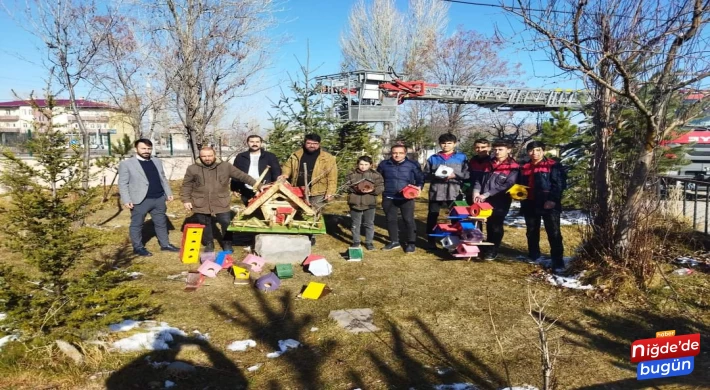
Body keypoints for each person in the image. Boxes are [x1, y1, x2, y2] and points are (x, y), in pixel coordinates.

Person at [181, 147, 257, 252]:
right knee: (205, 224)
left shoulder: (225, 166)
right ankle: (209, 243)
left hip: (221, 201)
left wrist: (259, 185)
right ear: (200, 156)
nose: (207, 158)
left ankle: (227, 243)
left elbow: (242, 176)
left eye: (209, 155)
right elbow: (186, 185)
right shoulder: (192, 168)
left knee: (226, 222)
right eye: (204, 156)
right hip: (200, 201)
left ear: (214, 155)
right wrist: (186, 200)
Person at [118, 138, 180, 257]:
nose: (146, 151)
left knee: (161, 222)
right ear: (136, 149)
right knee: (137, 224)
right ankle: (138, 247)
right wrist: (126, 200)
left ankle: (165, 244)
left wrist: (168, 192)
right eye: (143, 148)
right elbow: (123, 183)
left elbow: (163, 178)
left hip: (158, 198)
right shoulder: (127, 164)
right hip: (140, 200)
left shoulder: (156, 161)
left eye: (149, 148)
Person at [278, 133, 338, 245]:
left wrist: (330, 192)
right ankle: (297, 232)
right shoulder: (296, 155)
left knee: (314, 213)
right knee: (298, 211)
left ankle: (311, 235)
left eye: (315, 144)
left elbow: (332, 176)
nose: (312, 146)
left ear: (319, 144)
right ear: (305, 143)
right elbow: (287, 167)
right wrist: (285, 175)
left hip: (318, 190)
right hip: (299, 189)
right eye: (309, 143)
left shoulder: (327, 158)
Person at [518, 141, 565, 270]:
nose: (535, 153)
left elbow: (559, 184)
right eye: (531, 150)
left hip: (548, 203)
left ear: (543, 151)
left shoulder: (553, 165)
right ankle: (533, 254)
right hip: (529, 203)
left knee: (554, 232)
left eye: (538, 150)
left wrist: (553, 200)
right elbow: (520, 184)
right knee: (532, 230)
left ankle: (558, 260)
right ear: (528, 152)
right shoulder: (524, 167)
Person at [473, 140, 519, 260]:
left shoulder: (513, 167)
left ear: (508, 150)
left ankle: (493, 249)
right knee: (487, 223)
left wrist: (486, 194)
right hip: (484, 199)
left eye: (500, 149)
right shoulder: (489, 163)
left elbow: (507, 184)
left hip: (500, 200)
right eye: (495, 149)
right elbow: (480, 179)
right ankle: (485, 246)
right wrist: (476, 192)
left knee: (496, 224)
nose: (497, 152)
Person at [423, 133, 469, 250]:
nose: (446, 145)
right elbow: (425, 174)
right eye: (443, 143)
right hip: (436, 191)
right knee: (432, 216)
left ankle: (456, 239)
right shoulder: (433, 158)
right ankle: (431, 240)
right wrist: (436, 175)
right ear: (439, 144)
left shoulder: (462, 157)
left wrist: (455, 175)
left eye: (449, 143)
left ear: (454, 144)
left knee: (456, 217)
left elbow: (467, 174)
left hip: (454, 192)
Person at [377, 144, 424, 253]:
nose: (397, 155)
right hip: (389, 196)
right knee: (391, 220)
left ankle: (411, 243)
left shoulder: (413, 165)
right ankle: (394, 241)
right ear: (391, 153)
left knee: (408, 220)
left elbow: (420, 179)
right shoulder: (384, 164)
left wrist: (419, 188)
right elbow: (378, 179)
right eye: (394, 153)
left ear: (405, 153)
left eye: (400, 153)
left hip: (406, 197)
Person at [344, 156, 385, 250]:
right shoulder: (352, 174)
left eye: (366, 164)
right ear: (357, 164)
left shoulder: (375, 175)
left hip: (369, 202)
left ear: (370, 165)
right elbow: (346, 186)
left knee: (369, 223)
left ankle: (369, 242)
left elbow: (380, 187)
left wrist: (372, 190)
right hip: (355, 202)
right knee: (355, 223)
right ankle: (356, 241)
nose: (363, 166)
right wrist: (354, 189)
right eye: (361, 164)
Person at [231, 135, 281, 205]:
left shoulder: (270, 156)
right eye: (252, 142)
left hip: (265, 188)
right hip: (246, 189)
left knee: (264, 209)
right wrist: (234, 188)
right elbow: (235, 173)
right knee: (248, 208)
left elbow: (276, 172)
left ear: (261, 143)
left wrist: (276, 186)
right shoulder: (241, 157)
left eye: (257, 142)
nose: (255, 144)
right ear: (247, 143)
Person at [467, 139, 492, 204]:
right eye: (477, 147)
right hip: (473, 190)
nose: (480, 149)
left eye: (483, 147)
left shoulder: (492, 161)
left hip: (487, 192)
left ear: (489, 148)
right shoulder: (473, 160)